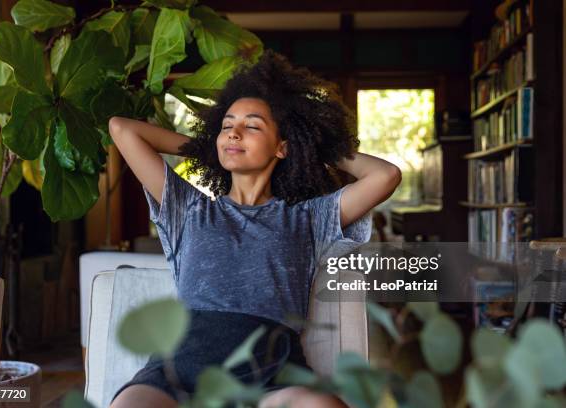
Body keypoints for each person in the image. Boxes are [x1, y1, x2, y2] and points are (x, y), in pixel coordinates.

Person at [108, 49, 401, 408]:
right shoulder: (188, 209)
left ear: (281, 147)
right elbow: (122, 129)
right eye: (227, 126)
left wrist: (311, 146)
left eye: (252, 126)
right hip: (177, 371)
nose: (234, 133)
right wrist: (207, 147)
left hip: (270, 376)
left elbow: (385, 176)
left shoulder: (309, 218)